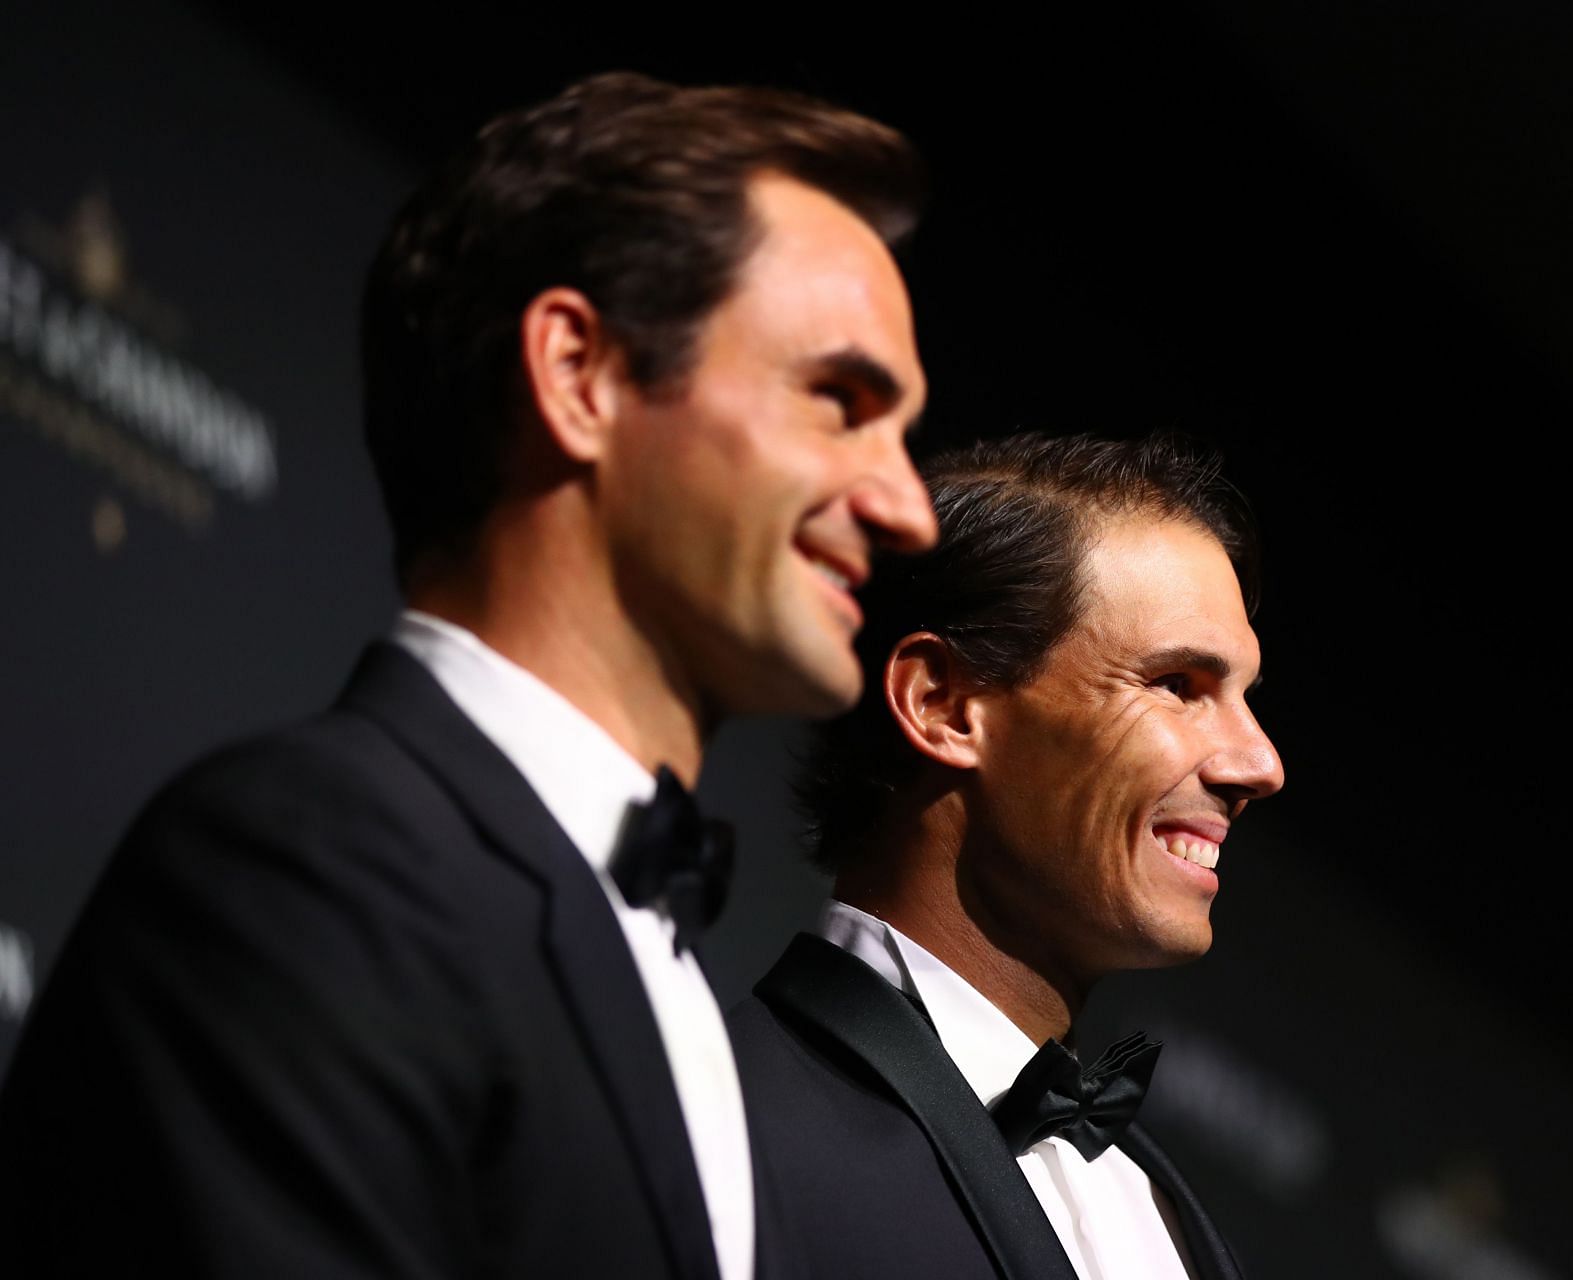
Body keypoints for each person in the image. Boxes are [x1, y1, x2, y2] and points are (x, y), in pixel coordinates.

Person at [0, 72, 935, 1278]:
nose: (907, 506)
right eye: (839, 401)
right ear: (580, 373)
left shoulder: (663, 965)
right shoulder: (315, 871)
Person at [729, 432, 1285, 1279]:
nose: (1259, 764)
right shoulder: (721, 1114)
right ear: (945, 705)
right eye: (1178, 686)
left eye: (1244, 698)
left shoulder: (1160, 1206)